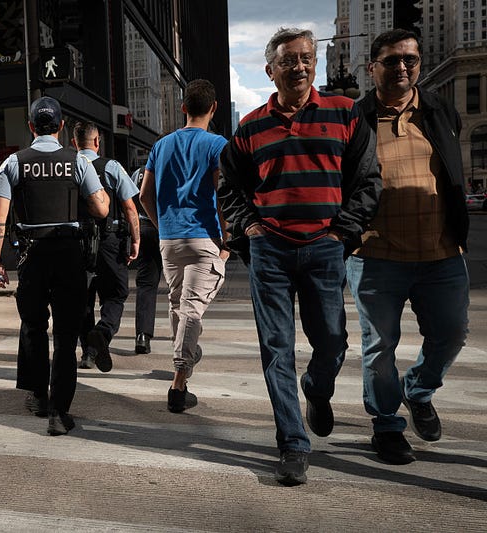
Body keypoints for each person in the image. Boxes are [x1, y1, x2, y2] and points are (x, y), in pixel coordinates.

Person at [218, 27, 382, 486]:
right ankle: (292, 443)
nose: (300, 66)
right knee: (276, 348)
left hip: (324, 249)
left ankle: (316, 387)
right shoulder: (250, 126)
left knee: (331, 341)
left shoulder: (345, 113)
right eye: (288, 60)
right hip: (269, 248)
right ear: (270, 70)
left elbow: (369, 181)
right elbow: (228, 185)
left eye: (306, 57)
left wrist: (340, 235)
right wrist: (248, 228)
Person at [347, 29, 470, 465]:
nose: (403, 67)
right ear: (372, 67)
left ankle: (419, 390)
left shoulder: (440, 111)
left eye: (411, 60)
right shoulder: (354, 119)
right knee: (379, 347)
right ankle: (386, 425)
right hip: (375, 255)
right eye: (392, 60)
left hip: (442, 253)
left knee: (453, 333)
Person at [0, 96, 109, 436]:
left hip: (32, 255)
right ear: (60, 127)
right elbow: (100, 209)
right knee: (67, 334)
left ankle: (38, 397)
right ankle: (60, 413)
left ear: (30, 127)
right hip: (68, 254)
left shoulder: (13, 163)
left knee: (33, 326)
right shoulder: (77, 162)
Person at [139, 79, 229, 415]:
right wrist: (226, 241)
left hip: (169, 240)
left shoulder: (161, 146)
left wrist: (163, 226)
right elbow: (222, 194)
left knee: (179, 304)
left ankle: (185, 366)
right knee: (190, 308)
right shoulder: (217, 144)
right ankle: (178, 380)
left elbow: (145, 195)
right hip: (204, 237)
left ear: (183, 107)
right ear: (214, 108)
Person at [72, 121, 140, 370]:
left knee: (83, 299)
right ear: (97, 141)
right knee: (115, 294)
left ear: (74, 143)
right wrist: (136, 240)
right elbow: (130, 207)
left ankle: (87, 354)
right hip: (110, 241)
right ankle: (101, 333)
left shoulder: (69, 165)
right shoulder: (111, 166)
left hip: (76, 242)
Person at [131, 162, 162, 355]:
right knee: (182, 285)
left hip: (145, 228)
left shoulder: (139, 173)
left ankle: (142, 335)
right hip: (169, 227)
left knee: (146, 284)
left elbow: (132, 199)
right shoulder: (172, 166)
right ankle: (184, 336)